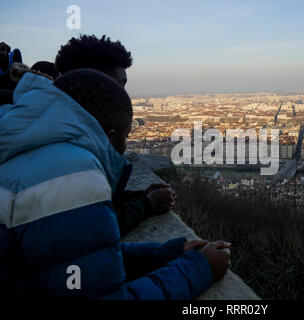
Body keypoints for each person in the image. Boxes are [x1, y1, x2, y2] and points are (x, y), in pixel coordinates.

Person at [0, 69, 231, 299]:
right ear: (110, 136)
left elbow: (79, 259)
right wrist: (200, 268)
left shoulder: (26, 150)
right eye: (126, 137)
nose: (125, 149)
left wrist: (168, 252)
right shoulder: (72, 177)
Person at [55, 35, 174, 236]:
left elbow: (87, 202)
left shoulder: (52, 127)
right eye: (119, 85)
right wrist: (147, 204)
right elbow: (88, 228)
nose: (122, 95)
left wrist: (138, 197)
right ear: (91, 83)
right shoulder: (65, 150)